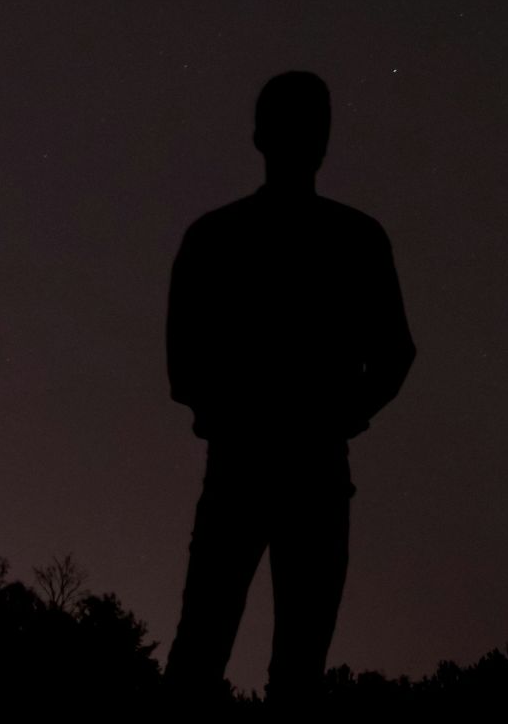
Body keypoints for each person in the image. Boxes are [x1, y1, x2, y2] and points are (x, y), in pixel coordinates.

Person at [163, 71, 416, 715]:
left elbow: (186, 365)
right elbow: (393, 355)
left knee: (221, 655)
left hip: (270, 468)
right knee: (265, 662)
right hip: (293, 469)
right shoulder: (351, 238)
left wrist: (323, 417)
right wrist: (337, 416)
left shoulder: (218, 236)